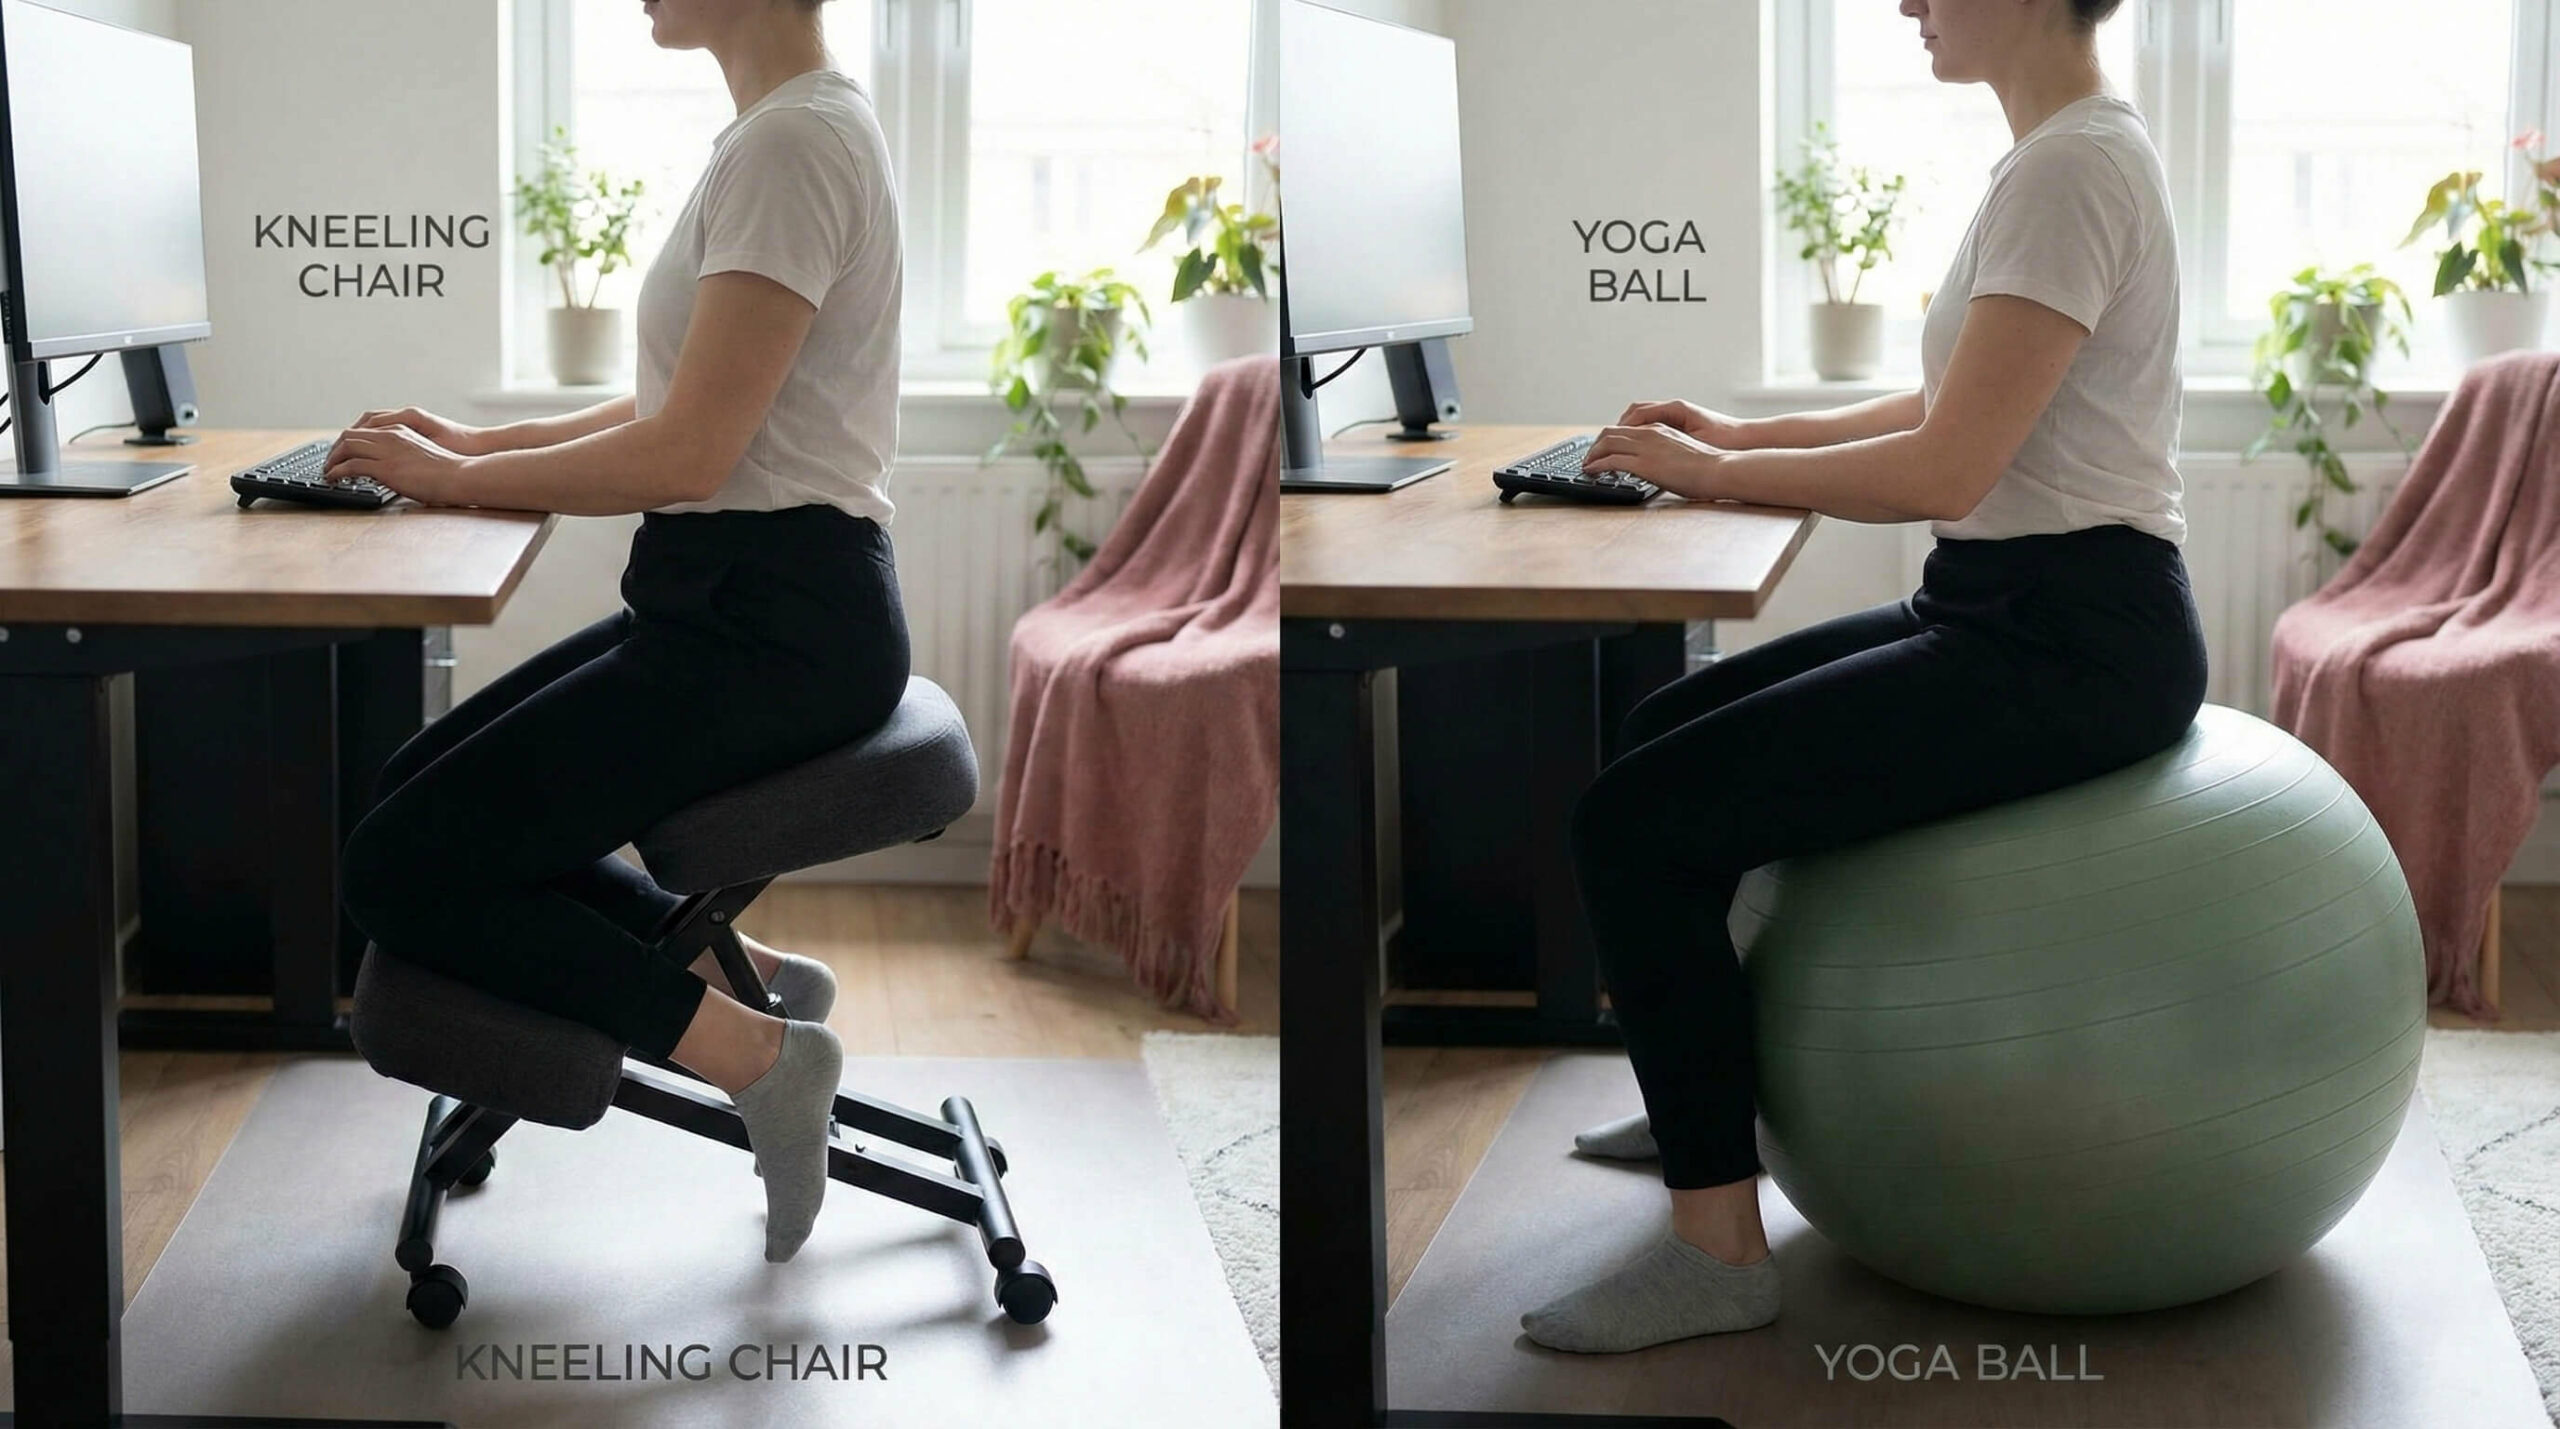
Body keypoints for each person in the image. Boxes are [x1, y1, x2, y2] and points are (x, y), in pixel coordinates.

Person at [1520, 0, 2207, 1353]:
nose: (1904, 3)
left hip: (2073, 638)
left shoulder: (2074, 167)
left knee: (1631, 825)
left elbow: (1944, 467)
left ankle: (1717, 1254)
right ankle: (1703, 1095)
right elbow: (1949, 405)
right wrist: (1738, 435)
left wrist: (1715, 477)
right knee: (1661, 728)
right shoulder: (2056, 155)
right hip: (2012, 602)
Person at [330, 0, 900, 1265]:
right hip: (740, 604)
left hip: (775, 629)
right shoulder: (780, 131)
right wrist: (473, 446)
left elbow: (688, 453)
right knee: (408, 792)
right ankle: (741, 977)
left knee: (400, 868)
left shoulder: (793, 145)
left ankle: (758, 1056)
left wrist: (451, 481)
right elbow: (672, 399)